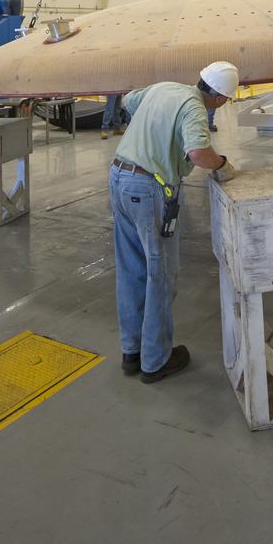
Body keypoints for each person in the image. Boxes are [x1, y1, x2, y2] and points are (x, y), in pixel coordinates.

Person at [108, 60, 239, 384]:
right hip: (149, 190)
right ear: (221, 98)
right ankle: (155, 361)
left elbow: (128, 101)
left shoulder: (165, 87)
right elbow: (198, 153)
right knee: (161, 273)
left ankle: (132, 352)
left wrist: (155, 128)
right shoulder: (195, 107)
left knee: (131, 268)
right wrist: (222, 163)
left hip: (120, 177)